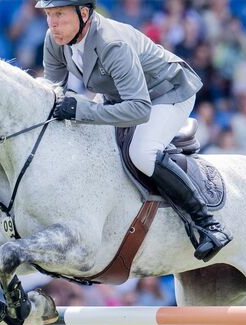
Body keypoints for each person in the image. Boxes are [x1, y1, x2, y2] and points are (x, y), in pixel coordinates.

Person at [36, 0, 231, 261]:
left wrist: (79, 110)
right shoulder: (55, 39)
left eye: (59, 14)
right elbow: (54, 91)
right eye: (49, 15)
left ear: (84, 13)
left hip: (167, 92)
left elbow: (139, 109)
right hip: (119, 95)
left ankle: (208, 225)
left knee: (142, 153)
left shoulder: (111, 43)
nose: (52, 23)